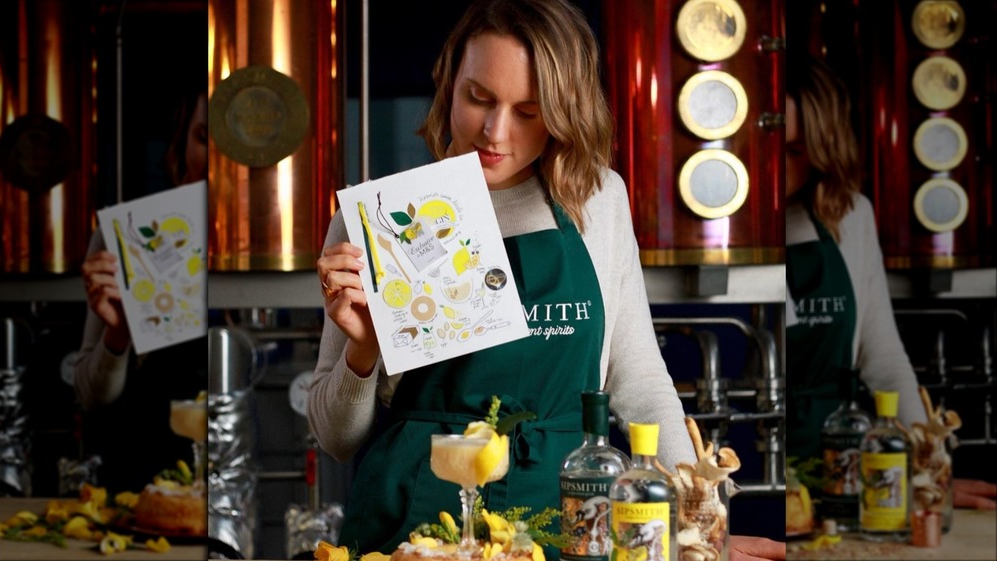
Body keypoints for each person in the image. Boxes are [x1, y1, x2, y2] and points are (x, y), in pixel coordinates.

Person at [309, 1, 785, 560]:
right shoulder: (384, 218)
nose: (494, 131)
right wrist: (362, 352)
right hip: (416, 526)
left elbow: (639, 382)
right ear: (448, 84)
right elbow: (335, 439)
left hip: (574, 518)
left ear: (564, 112)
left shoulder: (597, 201)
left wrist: (697, 529)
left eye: (528, 111)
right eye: (477, 97)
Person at [785, 53, 996, 509]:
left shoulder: (850, 215)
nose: (782, 169)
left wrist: (928, 471)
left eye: (796, 152)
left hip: (847, 466)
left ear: (824, 151)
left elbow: (883, 360)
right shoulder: (737, 235)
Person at [73, 86, 208, 493]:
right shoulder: (129, 238)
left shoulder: (282, 251)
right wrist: (118, 335)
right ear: (182, 146)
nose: (218, 157)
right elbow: (90, 397)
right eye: (204, 137)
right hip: (142, 484)